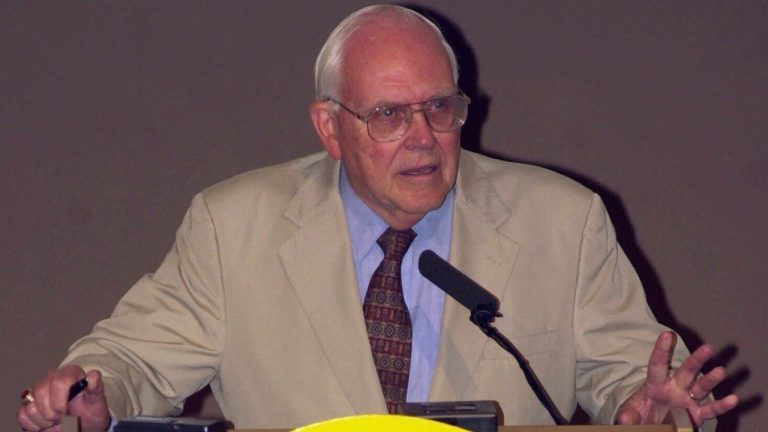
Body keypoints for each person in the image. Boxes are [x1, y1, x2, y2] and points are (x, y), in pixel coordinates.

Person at [17, 4, 738, 432]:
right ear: (329, 129)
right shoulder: (232, 226)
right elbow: (134, 359)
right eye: (389, 115)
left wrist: (658, 411)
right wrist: (95, 392)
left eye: (440, 108)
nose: (423, 136)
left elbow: (637, 383)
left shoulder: (564, 220)